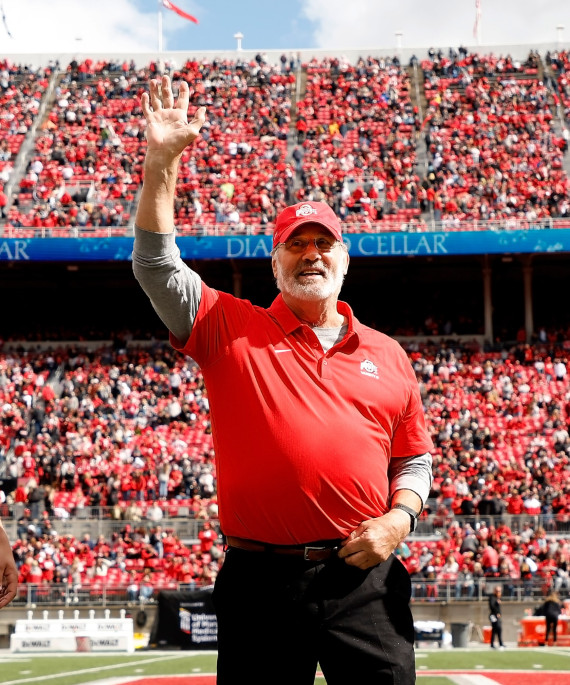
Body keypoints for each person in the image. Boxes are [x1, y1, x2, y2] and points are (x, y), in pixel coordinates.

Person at [132, 75, 433, 685]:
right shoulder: (226, 324)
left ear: (345, 259)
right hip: (260, 582)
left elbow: (413, 461)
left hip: (365, 578)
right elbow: (157, 266)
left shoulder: (388, 353)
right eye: (297, 245)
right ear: (275, 262)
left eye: (325, 243)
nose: (312, 254)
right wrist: (162, 162)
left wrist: (398, 522)